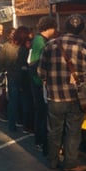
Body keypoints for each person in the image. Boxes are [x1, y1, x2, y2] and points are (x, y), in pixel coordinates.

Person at [41, 13, 86, 171]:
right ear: (81, 29)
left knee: (54, 130)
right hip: (76, 96)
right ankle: (70, 163)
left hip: (55, 96)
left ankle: (52, 161)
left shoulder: (50, 45)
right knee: (73, 131)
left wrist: (50, 81)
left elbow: (41, 72)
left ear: (65, 27)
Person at [28, 14, 57, 149]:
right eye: (54, 29)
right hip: (39, 83)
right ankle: (40, 141)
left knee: (40, 112)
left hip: (37, 82)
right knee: (42, 113)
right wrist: (41, 82)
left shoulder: (38, 40)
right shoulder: (40, 41)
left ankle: (39, 140)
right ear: (49, 28)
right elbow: (34, 63)